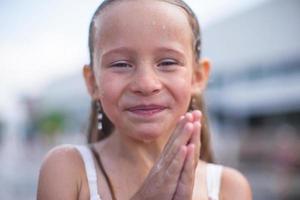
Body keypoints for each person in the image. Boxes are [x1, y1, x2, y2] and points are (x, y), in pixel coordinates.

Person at [37, 0, 252, 199]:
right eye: (120, 64)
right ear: (93, 82)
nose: (146, 84)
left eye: (168, 62)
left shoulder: (229, 188)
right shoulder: (68, 170)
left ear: (197, 77)